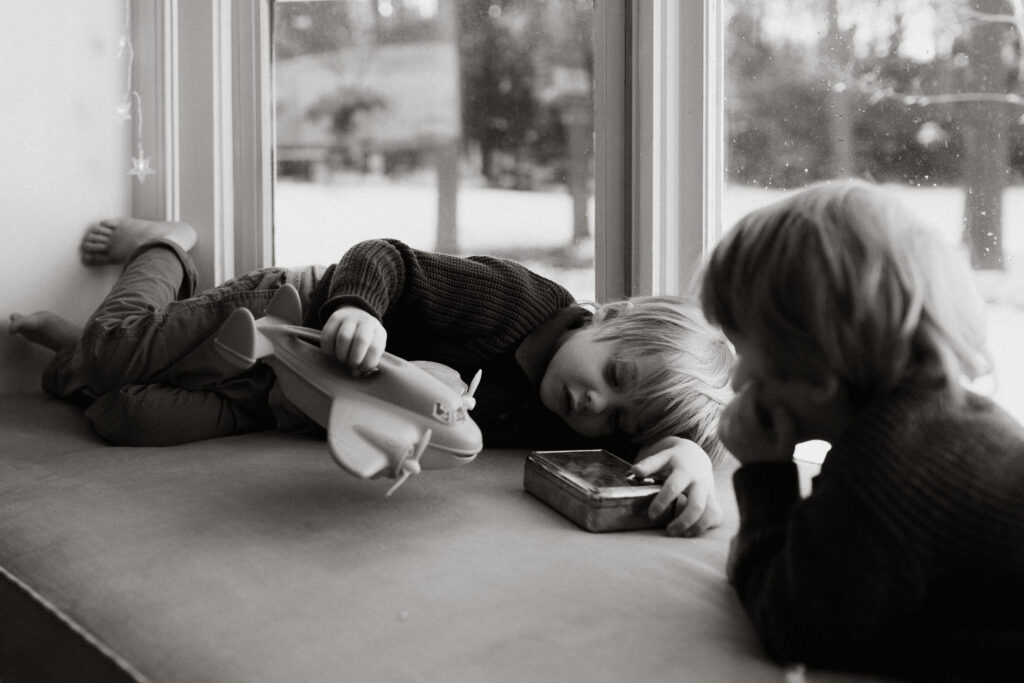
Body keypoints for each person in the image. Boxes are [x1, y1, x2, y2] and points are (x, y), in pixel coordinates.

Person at [9, 219, 734, 537]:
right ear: (606, 315)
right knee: (111, 356)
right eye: (612, 373)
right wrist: (361, 310)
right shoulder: (514, 301)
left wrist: (694, 453)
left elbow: (654, 455)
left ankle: (85, 352)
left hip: (286, 401)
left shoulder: (565, 420)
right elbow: (385, 256)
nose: (591, 401)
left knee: (115, 413)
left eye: (613, 416)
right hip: (289, 315)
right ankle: (166, 248)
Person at [701, 179, 1024, 679]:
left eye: (745, 352)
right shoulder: (963, 420)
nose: (739, 379)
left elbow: (790, 625)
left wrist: (765, 473)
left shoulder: (882, 478)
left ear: (817, 375)